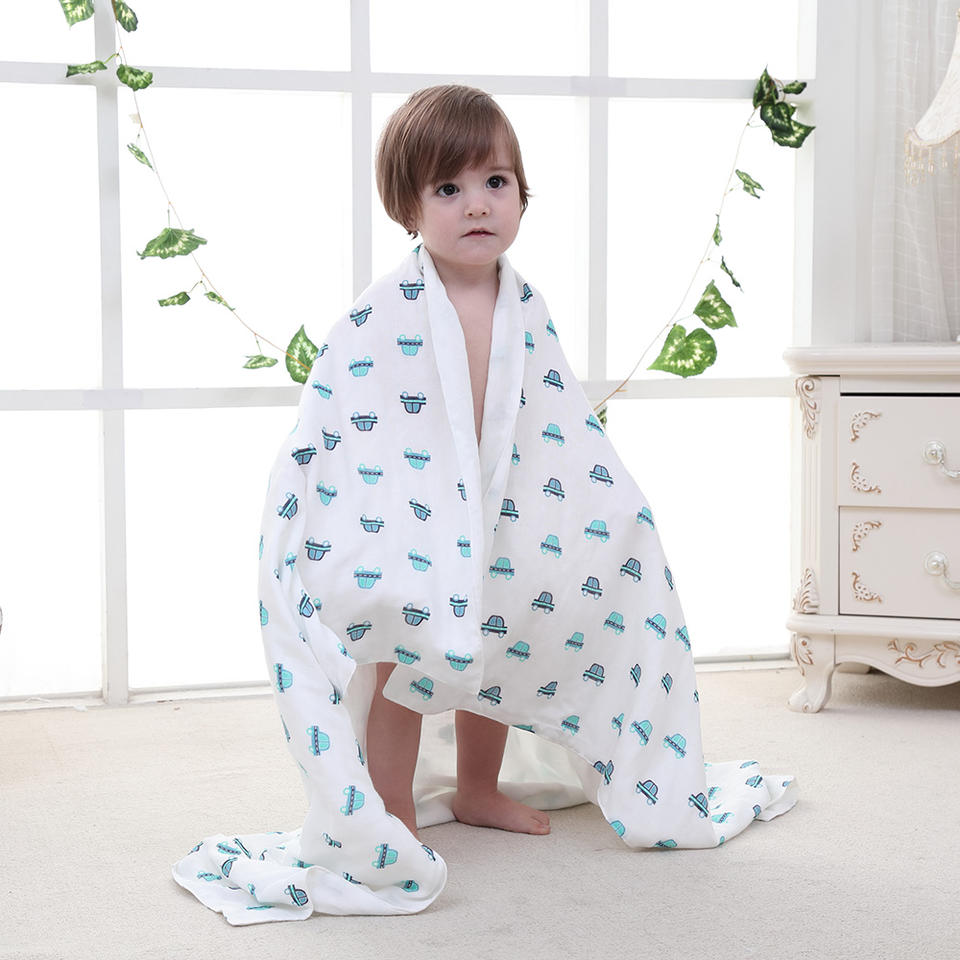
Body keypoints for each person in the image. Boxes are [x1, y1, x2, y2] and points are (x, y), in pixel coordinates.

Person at [366, 84, 550, 841]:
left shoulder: (524, 304)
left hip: (501, 504)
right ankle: (392, 808)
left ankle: (479, 787)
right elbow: (351, 411)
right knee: (400, 659)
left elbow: (554, 416)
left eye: (495, 182)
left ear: (521, 194)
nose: (477, 204)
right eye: (449, 188)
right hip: (414, 511)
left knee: (494, 649)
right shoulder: (388, 307)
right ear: (407, 208)